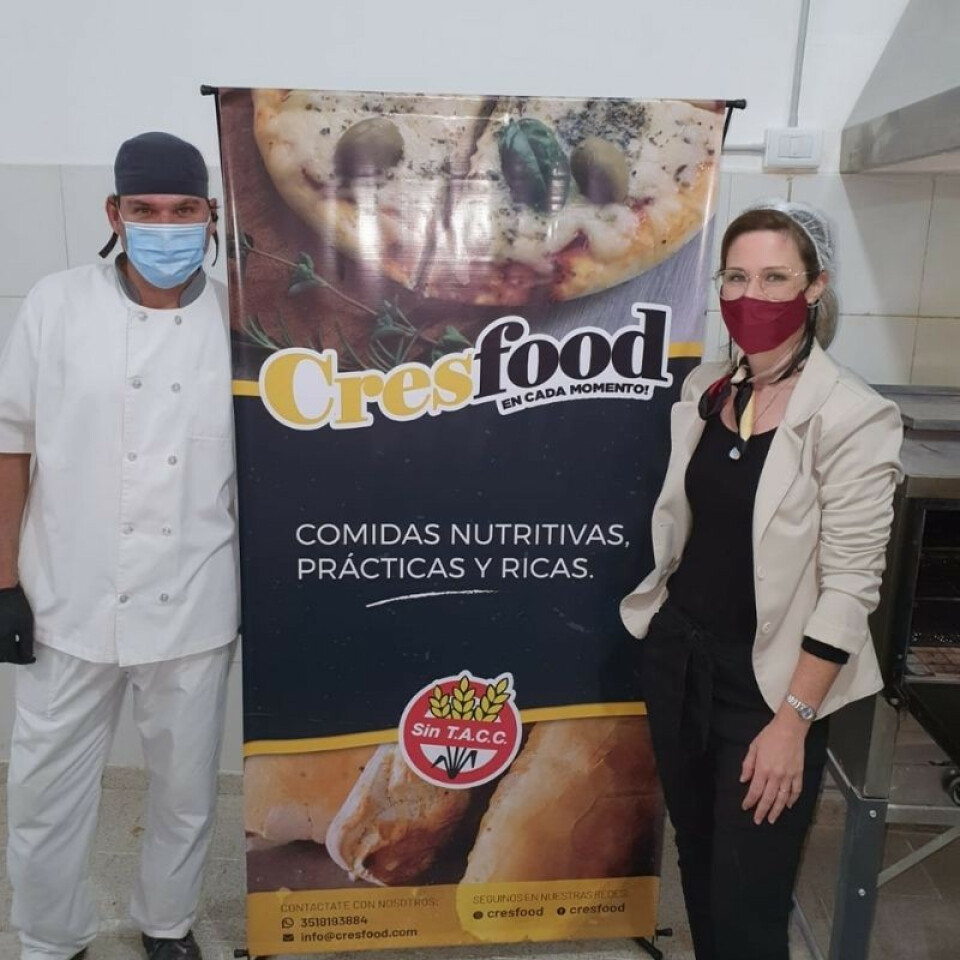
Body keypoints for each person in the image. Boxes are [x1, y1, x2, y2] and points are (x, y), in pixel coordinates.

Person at [620, 199, 903, 960]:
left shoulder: (854, 416)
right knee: (697, 855)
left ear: (815, 288)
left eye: (776, 278)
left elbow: (850, 587)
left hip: (771, 687)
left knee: (749, 898)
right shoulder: (709, 389)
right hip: (681, 661)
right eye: (737, 277)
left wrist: (793, 722)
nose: (753, 295)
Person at [0, 132, 238, 960]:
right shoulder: (56, 304)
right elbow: (10, 443)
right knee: (43, 793)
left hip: (194, 599)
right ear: (114, 213)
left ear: (212, 215)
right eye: (145, 209)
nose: (164, 227)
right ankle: (47, 938)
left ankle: (167, 924)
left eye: (183, 210)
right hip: (66, 595)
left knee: (184, 792)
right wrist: (3, 583)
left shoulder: (242, 321)